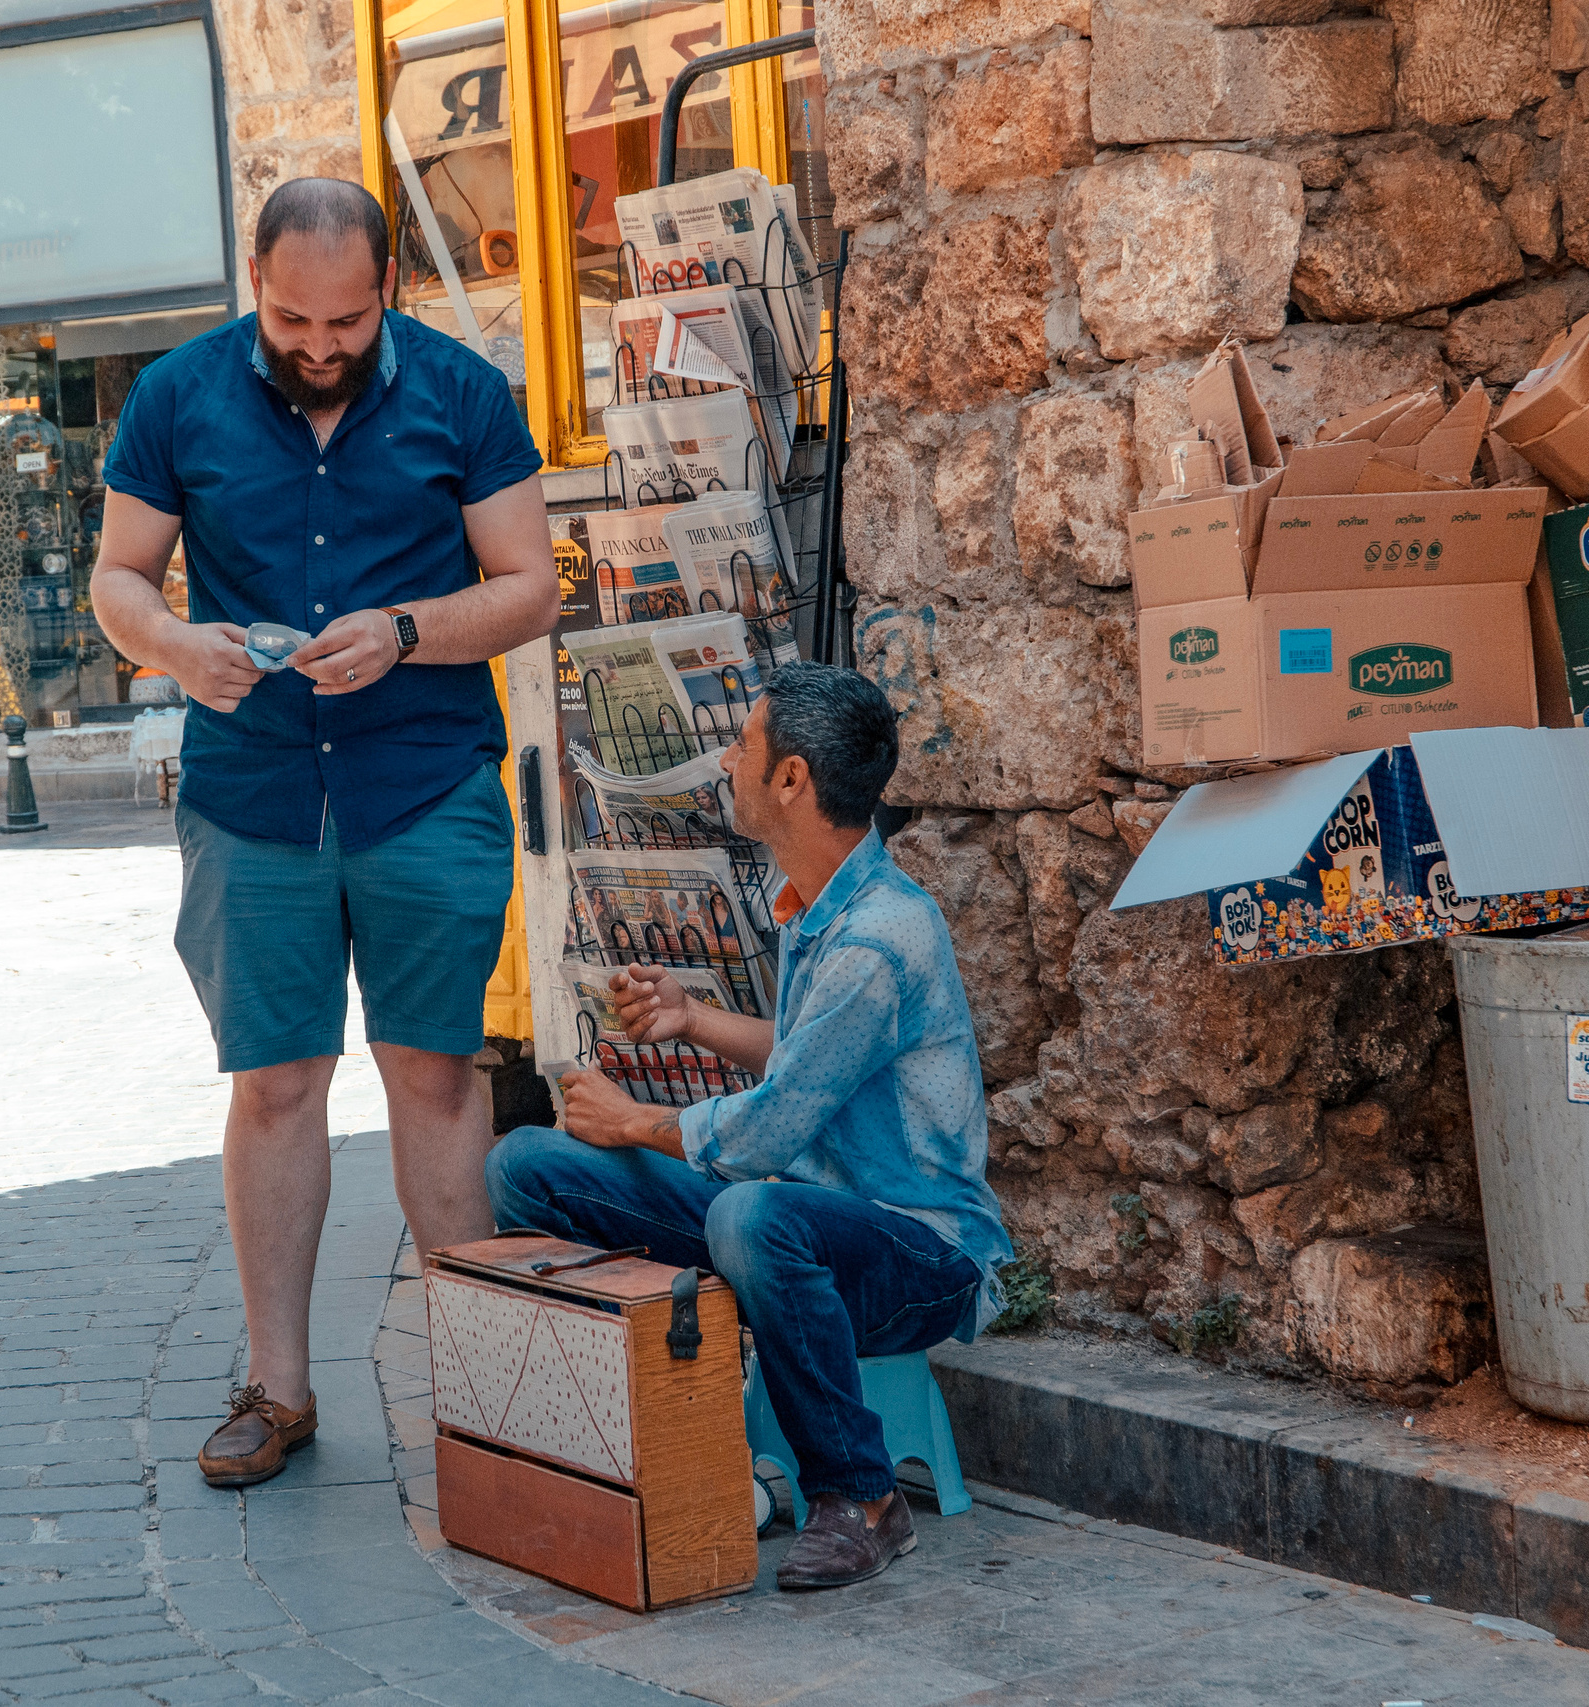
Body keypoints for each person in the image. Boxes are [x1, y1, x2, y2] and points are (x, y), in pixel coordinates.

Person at [91, 179, 556, 1488]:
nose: (319, 345)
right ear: (255, 280)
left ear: (388, 288)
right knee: (279, 1081)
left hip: (423, 782)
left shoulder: (464, 392)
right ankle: (278, 1387)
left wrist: (408, 629)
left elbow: (528, 585)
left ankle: (487, 1393)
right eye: (293, 317)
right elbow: (120, 578)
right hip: (253, 790)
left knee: (436, 1074)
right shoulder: (177, 396)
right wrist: (179, 643)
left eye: (347, 321)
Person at [486, 663, 1013, 1591]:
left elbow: (768, 1136)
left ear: (793, 780)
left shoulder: (880, 938)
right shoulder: (816, 905)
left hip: (923, 1256)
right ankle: (657, 1443)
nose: (725, 759)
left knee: (751, 1217)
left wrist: (635, 1120)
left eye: (745, 743)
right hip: (809, 1215)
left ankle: (862, 1494)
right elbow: (811, 1060)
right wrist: (691, 1017)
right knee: (529, 1165)